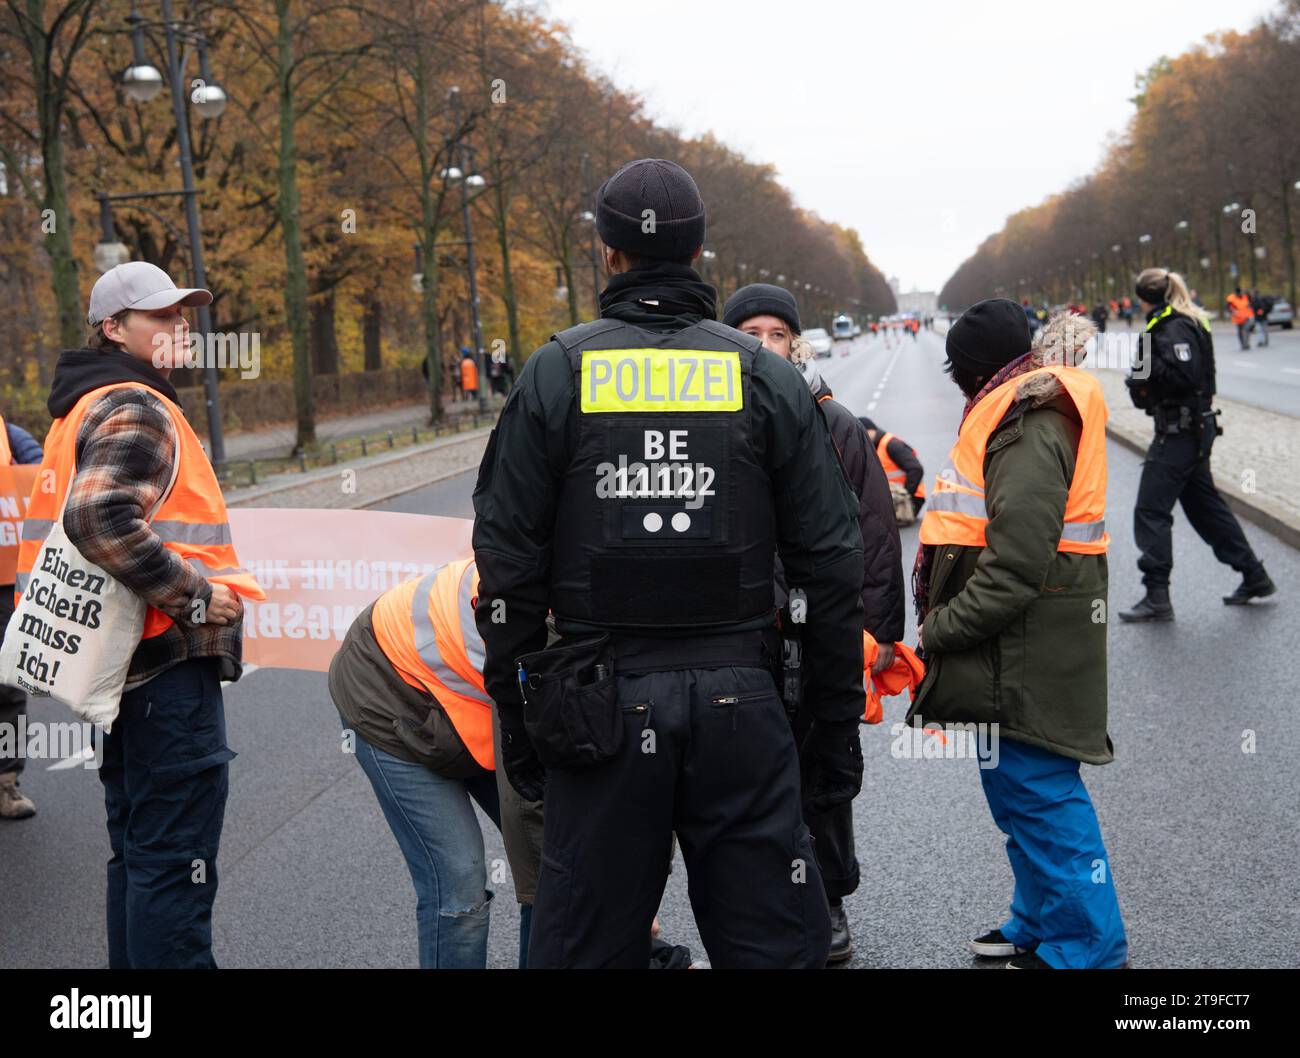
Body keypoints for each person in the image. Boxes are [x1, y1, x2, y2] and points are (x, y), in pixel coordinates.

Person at [472, 158, 866, 969]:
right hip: (743, 704)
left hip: (599, 711)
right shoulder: (764, 375)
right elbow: (831, 564)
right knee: (771, 948)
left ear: (608, 253)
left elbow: (506, 570)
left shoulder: (556, 372)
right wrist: (830, 722)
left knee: (586, 945)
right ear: (699, 255)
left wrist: (519, 716)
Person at [15, 261, 265, 968]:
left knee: (139, 855)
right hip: (164, 663)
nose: (179, 326)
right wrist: (193, 592)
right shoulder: (138, 404)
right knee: (172, 867)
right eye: (160, 316)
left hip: (120, 666)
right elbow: (98, 516)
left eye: (183, 315)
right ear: (113, 327)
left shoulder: (76, 409)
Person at [908, 302, 1127, 970]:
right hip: (1023, 639)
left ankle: (1088, 946)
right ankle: (1037, 921)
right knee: (1018, 793)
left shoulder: (1028, 423)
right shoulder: (1021, 408)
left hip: (1030, 642)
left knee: (1042, 795)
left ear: (968, 371)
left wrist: (941, 630)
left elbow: (1015, 566)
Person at [723, 282, 905, 964]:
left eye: (776, 332)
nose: (765, 344)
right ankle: (764, 906)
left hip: (816, 628)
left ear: (794, 341)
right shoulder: (716, 418)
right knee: (744, 777)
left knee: (821, 772)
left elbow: (875, 530)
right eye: (751, 331)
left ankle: (828, 902)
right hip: (740, 628)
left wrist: (879, 628)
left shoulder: (834, 422)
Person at [329, 557, 544, 968]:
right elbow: (535, 800)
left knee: (556, 868)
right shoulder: (530, 624)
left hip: (472, 708)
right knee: (460, 883)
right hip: (388, 694)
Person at [1120, 269, 1274, 620]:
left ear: (1143, 296)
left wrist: (1144, 374)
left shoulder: (1171, 326)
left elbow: (1182, 375)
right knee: (1205, 508)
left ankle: (1157, 594)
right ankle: (1254, 575)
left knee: (1151, 509)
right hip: (1191, 429)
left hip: (1180, 432)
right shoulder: (1182, 320)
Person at [0, 416, 44, 820]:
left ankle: (6, 784)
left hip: (5, 582)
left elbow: (44, 479)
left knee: (8, 684)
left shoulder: (13, 439)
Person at [859, 416, 926, 520]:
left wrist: (906, 495)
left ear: (871, 430)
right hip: (892, 497)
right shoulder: (874, 446)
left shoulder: (892, 445)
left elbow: (916, 469)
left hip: (910, 499)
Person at [1226, 287, 1254, 351]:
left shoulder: (1245, 296)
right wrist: (1232, 311)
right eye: (1237, 293)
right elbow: (1228, 308)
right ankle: (1242, 344)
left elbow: (1251, 301)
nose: (1239, 294)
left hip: (1246, 317)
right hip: (1237, 319)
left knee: (1246, 331)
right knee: (1240, 332)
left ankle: (1246, 344)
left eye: (1240, 293)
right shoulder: (1231, 299)